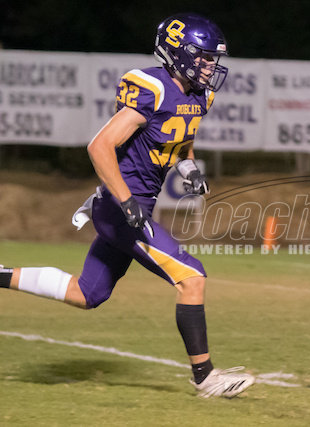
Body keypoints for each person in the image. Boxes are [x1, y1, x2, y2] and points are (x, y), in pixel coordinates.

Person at [0, 13, 255, 399]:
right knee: (192, 277)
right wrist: (124, 199)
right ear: (179, 53)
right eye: (203, 57)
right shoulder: (153, 88)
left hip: (132, 206)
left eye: (212, 59)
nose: (210, 66)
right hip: (121, 208)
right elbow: (99, 145)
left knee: (88, 293)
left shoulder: (200, 95)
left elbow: (179, 140)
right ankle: (206, 378)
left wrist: (187, 167)